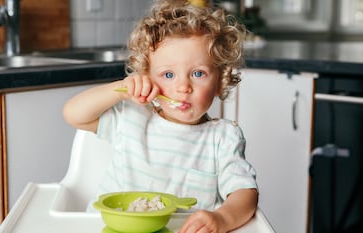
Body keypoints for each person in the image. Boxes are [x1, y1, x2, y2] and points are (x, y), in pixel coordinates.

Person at [63, 0, 258, 232]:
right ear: (147, 78)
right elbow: (74, 114)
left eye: (198, 73)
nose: (183, 86)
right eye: (168, 74)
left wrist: (223, 219)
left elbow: (245, 193)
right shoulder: (131, 117)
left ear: (220, 80)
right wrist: (120, 89)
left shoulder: (223, 138)